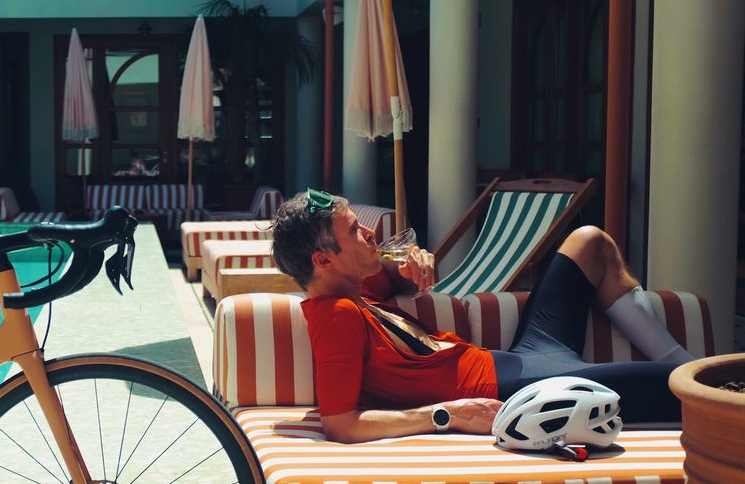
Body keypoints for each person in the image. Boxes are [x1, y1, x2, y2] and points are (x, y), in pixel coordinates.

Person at [269, 189, 695, 444]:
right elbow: (341, 424)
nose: (371, 233)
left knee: (588, 242)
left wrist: (407, 266)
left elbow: (397, 280)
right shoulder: (336, 316)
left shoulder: (352, 287)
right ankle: (684, 369)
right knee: (694, 389)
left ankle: (675, 358)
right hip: (527, 391)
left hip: (521, 357)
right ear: (324, 259)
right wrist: (446, 414)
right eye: (354, 231)